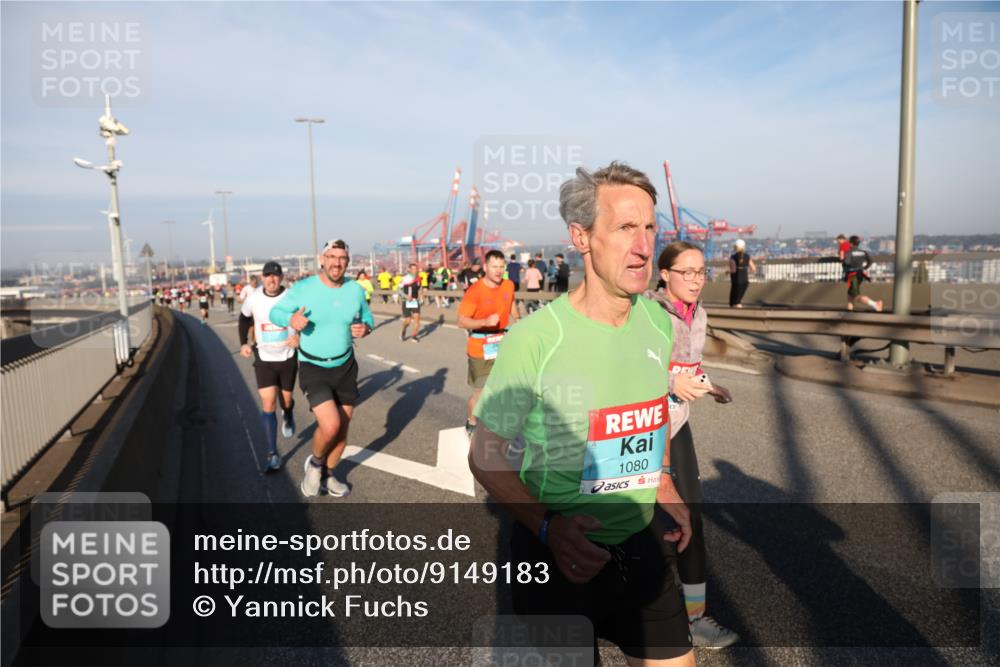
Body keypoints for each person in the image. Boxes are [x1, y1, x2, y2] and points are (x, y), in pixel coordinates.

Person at [469, 162, 694, 666]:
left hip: (641, 543)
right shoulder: (537, 339)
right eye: (625, 227)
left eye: (650, 227)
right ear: (582, 237)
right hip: (557, 556)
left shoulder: (658, 322)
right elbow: (485, 455)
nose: (643, 246)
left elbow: (650, 411)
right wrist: (546, 526)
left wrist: (663, 481)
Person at [647, 241, 740, 648]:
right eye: (687, 272)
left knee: (691, 516)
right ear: (665, 274)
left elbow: (688, 365)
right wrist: (671, 382)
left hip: (677, 422)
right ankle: (625, 609)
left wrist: (707, 384)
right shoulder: (647, 312)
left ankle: (696, 619)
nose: (696, 280)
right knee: (640, 522)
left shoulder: (698, 313)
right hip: (643, 426)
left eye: (701, 272)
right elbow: (632, 366)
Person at [269, 239, 374, 498]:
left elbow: (367, 316)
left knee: (342, 430)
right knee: (330, 426)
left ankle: (329, 474)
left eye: (342, 258)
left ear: (347, 262)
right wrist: (291, 318)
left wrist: (366, 328)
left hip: (345, 366)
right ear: (322, 259)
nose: (337, 263)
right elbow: (276, 312)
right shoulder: (304, 288)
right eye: (332, 257)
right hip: (314, 367)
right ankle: (315, 465)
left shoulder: (355, 290)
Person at [239, 261, 299, 472]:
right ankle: (272, 453)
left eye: (275, 275)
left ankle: (288, 413)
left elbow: (305, 319)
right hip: (264, 357)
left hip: (287, 356)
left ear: (281, 278)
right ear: (263, 278)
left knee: (286, 400)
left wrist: (299, 337)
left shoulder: (292, 297)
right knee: (268, 402)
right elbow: (244, 319)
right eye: (268, 275)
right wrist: (243, 343)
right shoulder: (254, 298)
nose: (271, 279)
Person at [458, 249, 519, 439]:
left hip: (502, 342)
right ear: (485, 267)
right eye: (494, 267)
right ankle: (472, 422)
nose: (498, 271)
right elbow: (462, 321)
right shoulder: (474, 291)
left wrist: (519, 320)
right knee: (480, 393)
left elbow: (511, 303)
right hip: (480, 346)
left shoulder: (509, 285)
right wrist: (484, 321)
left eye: (501, 267)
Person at [843, 235, 882, 312]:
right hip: (860, 274)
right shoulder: (863, 252)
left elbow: (846, 262)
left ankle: (875, 304)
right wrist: (864, 268)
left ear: (851, 244)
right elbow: (870, 261)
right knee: (850, 294)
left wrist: (843, 262)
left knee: (855, 295)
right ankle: (849, 311)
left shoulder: (849, 253)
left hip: (852, 275)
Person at [398, 263, 422, 342]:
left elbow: (419, 289)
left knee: (417, 318)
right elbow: (398, 289)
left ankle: (414, 336)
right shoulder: (405, 278)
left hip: (415, 301)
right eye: (413, 269)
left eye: (416, 269)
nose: (415, 270)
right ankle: (403, 330)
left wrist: (420, 296)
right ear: (410, 270)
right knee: (408, 321)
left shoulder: (419, 278)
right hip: (406, 301)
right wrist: (406, 296)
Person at [728, 239, 754, 308]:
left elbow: (733, 270)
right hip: (745, 280)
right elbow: (753, 269)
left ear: (735, 247)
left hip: (736, 281)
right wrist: (744, 270)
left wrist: (727, 272)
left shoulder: (733, 257)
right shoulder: (747, 256)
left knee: (734, 302)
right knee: (738, 301)